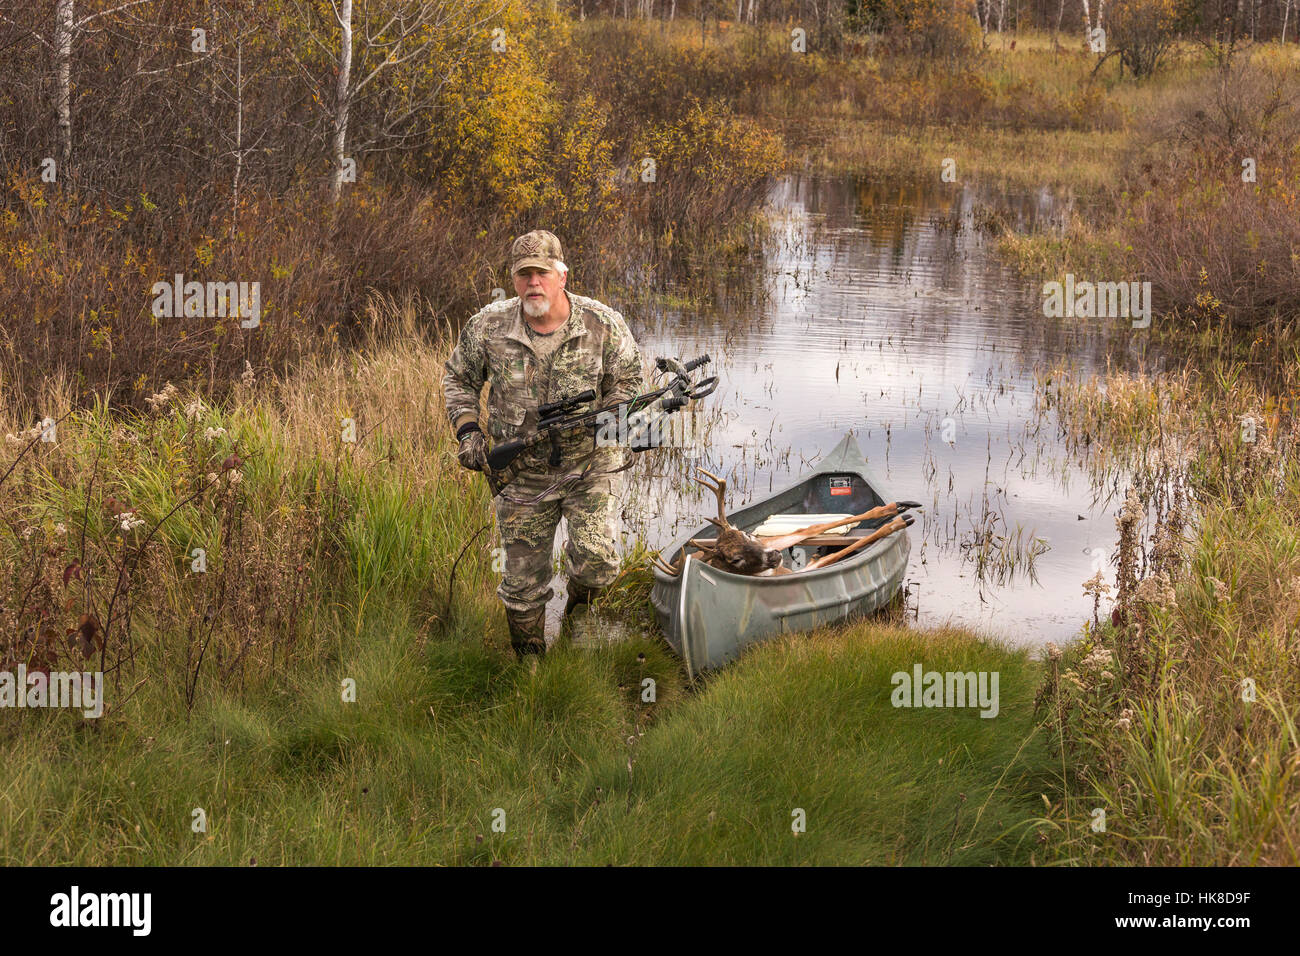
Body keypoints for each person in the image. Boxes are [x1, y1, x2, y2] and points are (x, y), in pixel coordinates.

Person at [442, 230, 645, 659]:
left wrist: (614, 411)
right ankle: (530, 664)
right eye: (524, 274)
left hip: (592, 463)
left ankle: (574, 636)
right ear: (514, 280)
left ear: (562, 275)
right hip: (522, 471)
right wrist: (468, 433)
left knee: (598, 562)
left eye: (542, 272)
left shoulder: (602, 323)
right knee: (520, 582)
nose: (534, 282)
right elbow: (458, 380)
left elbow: (629, 379)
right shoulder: (489, 326)